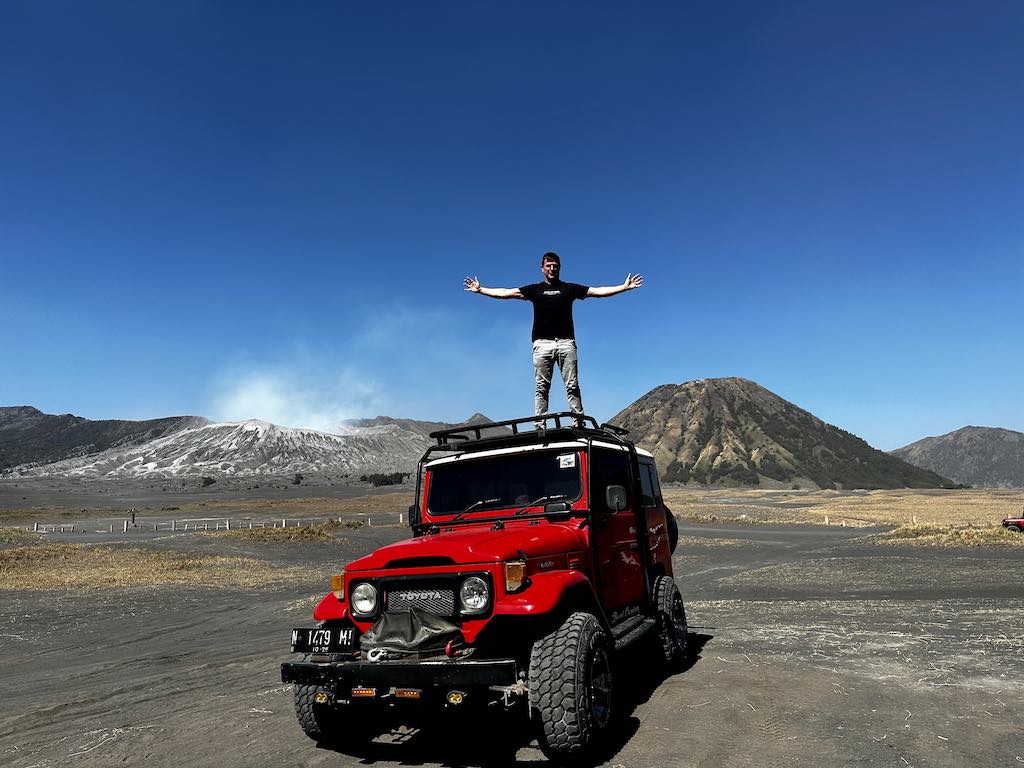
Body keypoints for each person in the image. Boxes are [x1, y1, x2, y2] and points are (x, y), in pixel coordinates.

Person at [464, 251, 643, 426]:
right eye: (548, 266)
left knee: (572, 385)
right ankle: (540, 425)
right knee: (542, 387)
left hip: (566, 343)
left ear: (560, 268)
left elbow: (596, 291)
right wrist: (480, 290)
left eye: (555, 266)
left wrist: (623, 287)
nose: (552, 269)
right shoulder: (534, 290)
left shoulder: (569, 289)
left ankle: (578, 422)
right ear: (542, 268)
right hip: (542, 344)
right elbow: (506, 293)